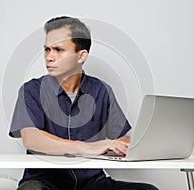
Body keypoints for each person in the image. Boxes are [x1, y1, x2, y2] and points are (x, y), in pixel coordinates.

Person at [9, 16, 158, 190]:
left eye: (58, 49)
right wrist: (88, 147)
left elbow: (121, 137)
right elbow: (31, 138)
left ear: (81, 56)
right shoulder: (31, 90)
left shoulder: (101, 90)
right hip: (46, 183)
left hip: (92, 183)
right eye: (47, 49)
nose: (49, 57)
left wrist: (122, 146)